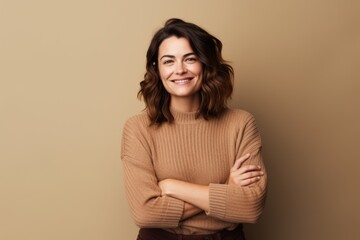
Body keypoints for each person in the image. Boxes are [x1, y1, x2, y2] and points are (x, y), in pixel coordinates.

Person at [121, 18, 267, 240]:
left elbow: (250, 207)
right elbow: (145, 213)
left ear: (206, 64)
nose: (180, 70)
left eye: (190, 59)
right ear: (156, 69)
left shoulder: (241, 123)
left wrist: (172, 186)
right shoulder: (138, 129)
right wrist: (226, 188)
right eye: (168, 61)